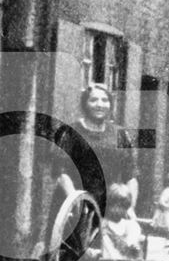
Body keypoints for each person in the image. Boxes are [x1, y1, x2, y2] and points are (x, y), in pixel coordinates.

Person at [53, 83, 138, 217]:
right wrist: (77, 202)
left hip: (109, 207)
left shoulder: (120, 135)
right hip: (74, 208)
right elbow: (61, 174)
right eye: (93, 100)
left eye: (105, 100)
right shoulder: (70, 133)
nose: (100, 104)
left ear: (110, 104)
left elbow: (131, 176)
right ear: (85, 104)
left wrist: (129, 208)